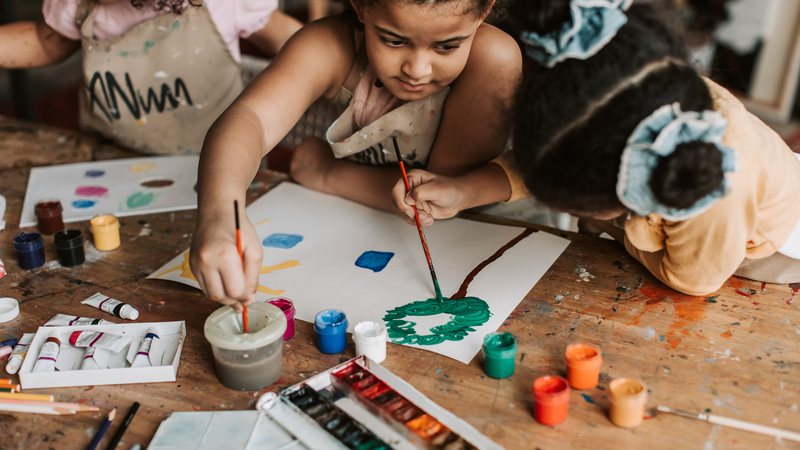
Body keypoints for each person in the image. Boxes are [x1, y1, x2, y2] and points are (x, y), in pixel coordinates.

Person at [392, 0, 800, 295]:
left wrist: (607, 228)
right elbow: (557, 159)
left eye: (576, 206)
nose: (570, 212)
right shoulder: (616, 102)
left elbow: (694, 279)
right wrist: (462, 191)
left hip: (768, 249)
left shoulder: (714, 191)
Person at [190, 0, 521, 308]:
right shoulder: (329, 46)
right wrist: (219, 210)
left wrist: (329, 175)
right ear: (361, 5)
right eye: (393, 40)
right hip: (349, 227)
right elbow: (251, 120)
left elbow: (441, 194)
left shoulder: (492, 58)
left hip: (479, 231)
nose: (417, 69)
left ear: (484, 10)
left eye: (447, 46)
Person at [0, 0, 301, 155]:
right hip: (112, 161)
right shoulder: (83, 6)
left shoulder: (225, 3)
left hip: (214, 170)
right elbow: (45, 40)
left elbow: (297, 45)